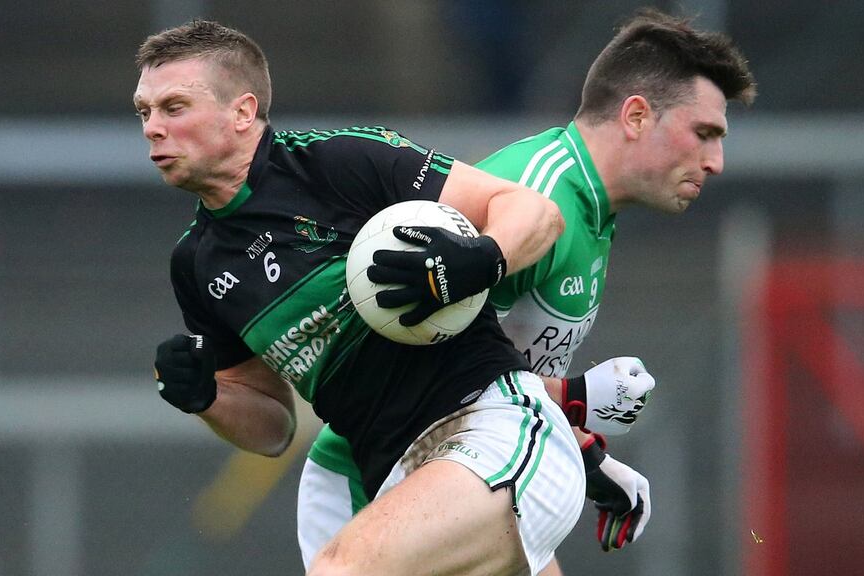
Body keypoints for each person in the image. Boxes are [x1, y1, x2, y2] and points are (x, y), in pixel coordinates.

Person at [296, 7, 757, 575]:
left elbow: (493, 376)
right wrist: (575, 397)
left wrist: (584, 452)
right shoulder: (537, 198)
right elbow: (419, 370)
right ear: (636, 115)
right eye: (704, 134)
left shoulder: (591, 210)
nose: (715, 162)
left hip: (452, 469)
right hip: (383, 476)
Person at [137, 19, 589, 576]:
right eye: (145, 112)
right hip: (401, 476)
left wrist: (478, 259)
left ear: (243, 111)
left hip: (490, 422)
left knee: (342, 570)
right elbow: (273, 427)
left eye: (174, 107)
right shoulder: (197, 264)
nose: (153, 128)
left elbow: (535, 213)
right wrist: (206, 396)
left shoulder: (338, 163)